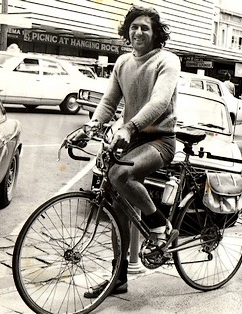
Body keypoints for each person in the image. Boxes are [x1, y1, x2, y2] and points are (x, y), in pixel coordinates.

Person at [69, 5, 180, 298]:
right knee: (115, 202)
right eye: (133, 27)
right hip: (129, 140)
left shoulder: (167, 61)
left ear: (155, 33)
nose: (138, 32)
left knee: (120, 174)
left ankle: (160, 225)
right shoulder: (122, 63)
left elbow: (159, 101)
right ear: (126, 32)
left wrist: (129, 127)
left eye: (145, 27)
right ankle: (118, 279)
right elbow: (108, 103)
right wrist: (90, 127)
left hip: (160, 141)